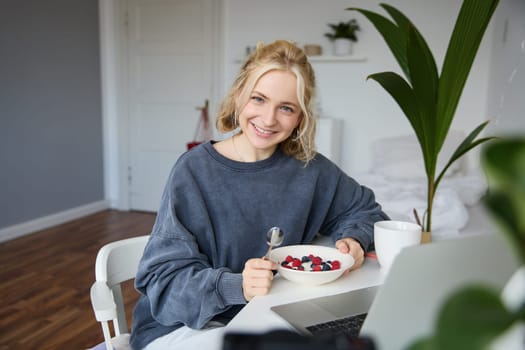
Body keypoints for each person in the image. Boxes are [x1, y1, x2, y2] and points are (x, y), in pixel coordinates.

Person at [130, 40, 389, 350]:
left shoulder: (311, 170)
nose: (268, 119)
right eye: (259, 99)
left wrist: (355, 240)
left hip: (270, 318)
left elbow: (368, 213)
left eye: (286, 108)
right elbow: (163, 283)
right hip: (185, 328)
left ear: (300, 118)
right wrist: (235, 286)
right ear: (239, 96)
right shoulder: (194, 171)